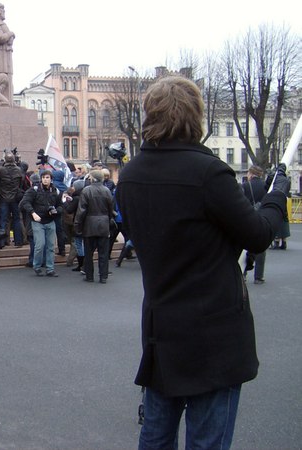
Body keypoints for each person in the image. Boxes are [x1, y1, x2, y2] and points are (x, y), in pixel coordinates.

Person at [116, 75, 289, 449]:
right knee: (206, 441)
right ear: (195, 115)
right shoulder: (208, 172)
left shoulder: (129, 176)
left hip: (161, 326)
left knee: (156, 436)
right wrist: (277, 196)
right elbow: (258, 234)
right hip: (213, 334)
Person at [20, 170, 63, 277]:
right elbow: (25, 202)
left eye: (47, 177)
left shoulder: (55, 191)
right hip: (37, 221)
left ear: (51, 179)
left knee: (51, 246)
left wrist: (56, 211)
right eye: (43, 177)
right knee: (40, 245)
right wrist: (33, 213)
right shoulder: (34, 190)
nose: (45, 179)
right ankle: (37, 266)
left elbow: (61, 205)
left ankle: (50, 269)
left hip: (50, 221)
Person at [74, 170, 114, 283]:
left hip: (89, 225)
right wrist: (108, 219)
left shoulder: (86, 190)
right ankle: (103, 276)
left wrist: (77, 225)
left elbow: (81, 211)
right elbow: (111, 208)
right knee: (103, 253)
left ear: (92, 178)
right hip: (104, 224)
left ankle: (89, 276)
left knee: (89, 253)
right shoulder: (107, 190)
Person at [242, 165, 268, 284]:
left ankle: (243, 273)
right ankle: (259, 276)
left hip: (248, 217)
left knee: (245, 247)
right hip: (261, 217)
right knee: (261, 248)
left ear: (251, 174)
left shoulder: (245, 186)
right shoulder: (266, 186)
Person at [0, 153, 24, 248]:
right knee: (17, 219)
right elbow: (21, 183)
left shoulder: (0, 170)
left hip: (3, 197)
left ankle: (1, 242)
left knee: (2, 220)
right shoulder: (18, 170)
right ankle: (18, 241)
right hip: (15, 198)